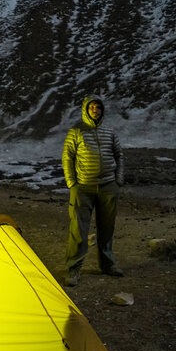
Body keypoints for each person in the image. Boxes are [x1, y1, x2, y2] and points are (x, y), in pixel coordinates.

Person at [62, 95, 124, 287]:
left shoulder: (109, 132)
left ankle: (107, 265)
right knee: (78, 230)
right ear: (85, 110)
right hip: (83, 188)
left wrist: (118, 179)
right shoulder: (76, 131)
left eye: (98, 107)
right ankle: (74, 269)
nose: (95, 110)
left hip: (108, 186)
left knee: (107, 228)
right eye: (92, 107)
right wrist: (72, 183)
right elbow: (67, 157)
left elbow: (119, 155)